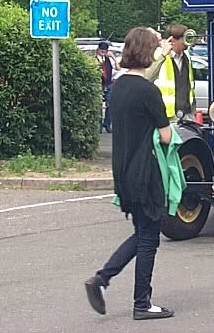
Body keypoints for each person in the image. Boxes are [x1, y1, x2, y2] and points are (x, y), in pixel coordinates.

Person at [84, 27, 175, 321]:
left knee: (143, 233)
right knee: (149, 239)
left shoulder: (119, 87)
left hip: (122, 172)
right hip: (146, 172)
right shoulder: (149, 91)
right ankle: (141, 303)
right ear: (148, 53)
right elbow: (165, 136)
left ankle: (102, 279)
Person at [152, 24, 196, 121]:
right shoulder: (159, 54)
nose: (187, 43)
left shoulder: (186, 57)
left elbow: (189, 85)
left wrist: (193, 111)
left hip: (186, 113)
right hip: (166, 115)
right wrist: (163, 55)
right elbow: (148, 76)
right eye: (184, 39)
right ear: (173, 40)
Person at [97, 41, 118, 133]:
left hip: (109, 83)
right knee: (98, 106)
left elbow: (118, 68)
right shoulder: (94, 59)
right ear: (98, 50)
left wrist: (113, 57)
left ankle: (107, 124)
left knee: (110, 104)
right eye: (102, 50)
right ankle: (99, 125)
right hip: (99, 84)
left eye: (105, 50)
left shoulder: (109, 60)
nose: (103, 52)